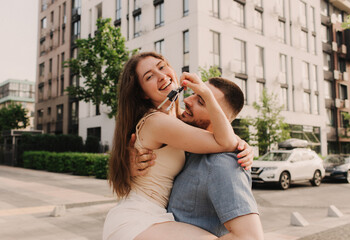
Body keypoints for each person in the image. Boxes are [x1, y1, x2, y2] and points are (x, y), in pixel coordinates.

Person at [103, 52, 248, 240]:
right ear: (142, 93)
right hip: (137, 219)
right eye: (149, 76)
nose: (161, 75)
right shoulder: (157, 122)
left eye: (162, 66)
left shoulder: (176, 118)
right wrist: (205, 92)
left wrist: (243, 144)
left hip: (154, 216)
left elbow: (218, 134)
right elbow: (225, 142)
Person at [132, 77, 263, 239]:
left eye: (201, 101)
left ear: (221, 119)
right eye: (193, 94)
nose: (187, 100)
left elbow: (250, 237)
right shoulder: (188, 148)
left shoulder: (224, 162)